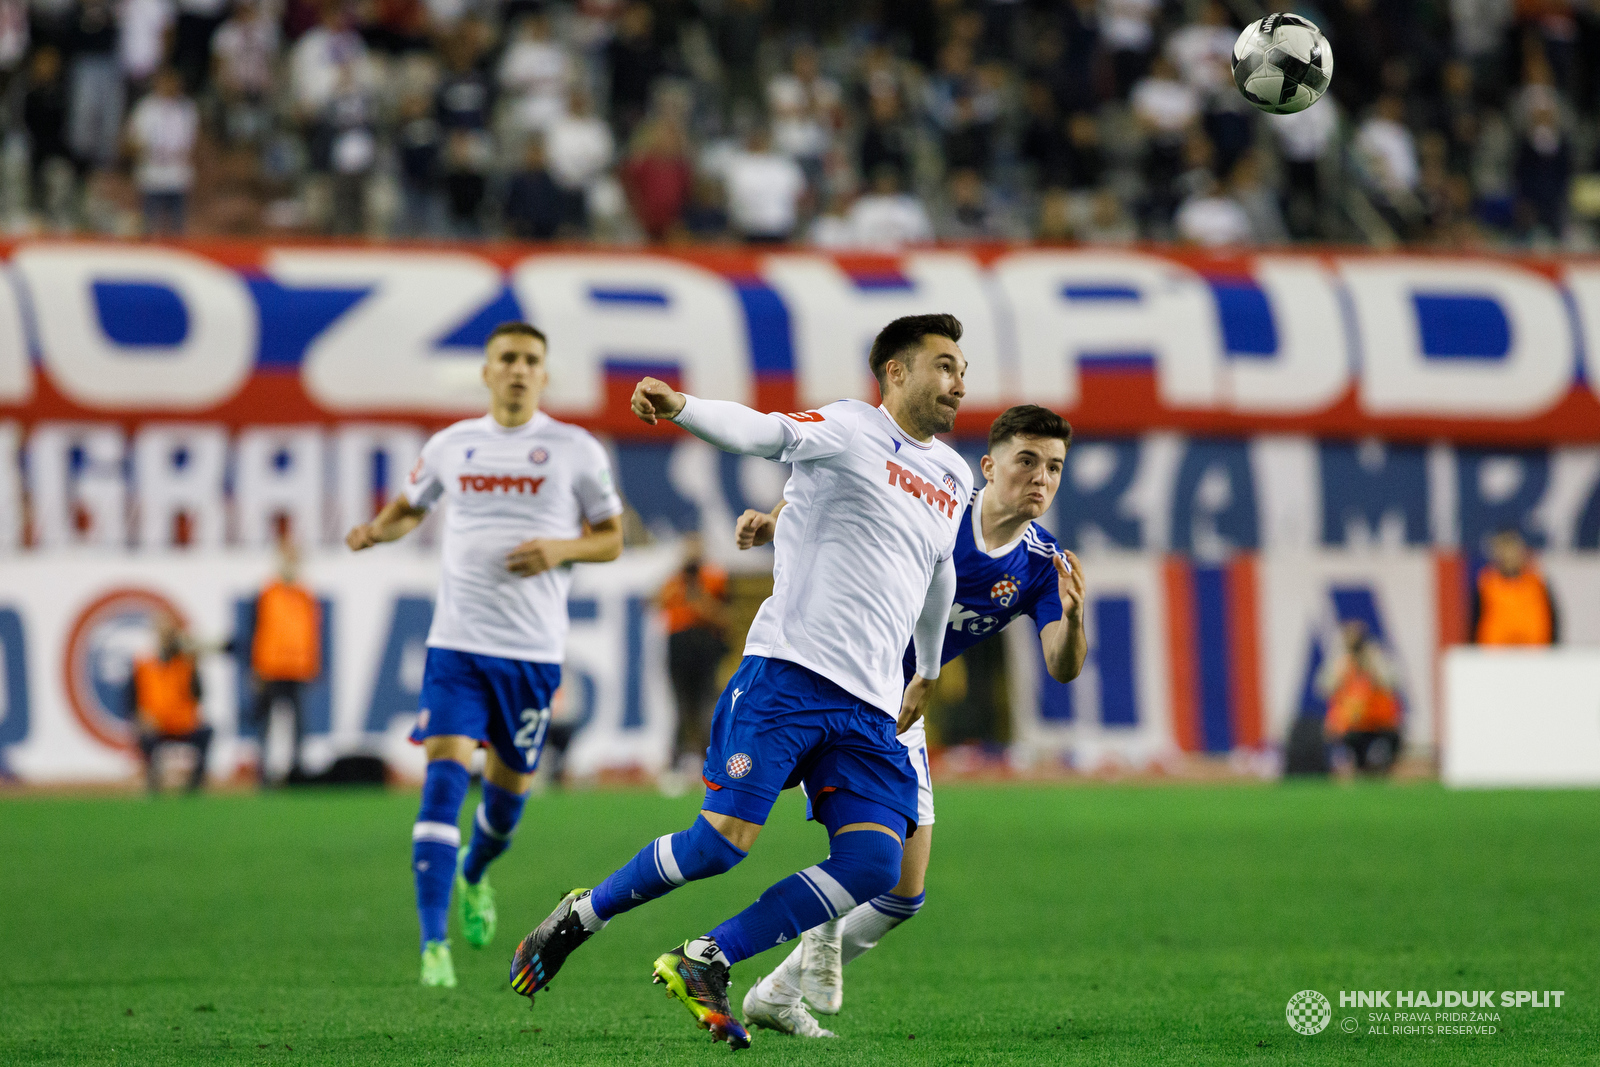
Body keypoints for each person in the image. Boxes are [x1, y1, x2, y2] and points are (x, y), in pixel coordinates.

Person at [508, 314, 975, 1050]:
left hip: (869, 704)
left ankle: (708, 957)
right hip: (789, 675)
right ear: (895, 371)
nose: (958, 382)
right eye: (944, 365)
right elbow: (765, 433)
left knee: (875, 862)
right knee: (721, 843)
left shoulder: (955, 474)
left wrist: (927, 665)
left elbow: (940, 571)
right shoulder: (849, 428)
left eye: (963, 369)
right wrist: (683, 408)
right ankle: (580, 914)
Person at [734, 403, 1087, 1036]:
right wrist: (772, 524)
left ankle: (776, 992)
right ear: (990, 465)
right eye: (1027, 461)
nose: (1040, 478)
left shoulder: (1041, 562)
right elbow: (847, 508)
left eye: (1054, 467)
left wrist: (1075, 618)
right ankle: (778, 921)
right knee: (756, 818)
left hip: (900, 709)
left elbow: (1061, 666)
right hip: (832, 674)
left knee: (902, 894)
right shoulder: (942, 503)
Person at [344, 321, 624, 989]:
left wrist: (561, 548)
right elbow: (412, 506)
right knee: (443, 776)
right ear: (487, 370)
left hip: (529, 656)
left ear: (545, 374)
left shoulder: (573, 448)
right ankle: (432, 944)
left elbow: (611, 538)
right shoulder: (452, 445)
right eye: (508, 358)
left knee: (502, 809)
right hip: (456, 645)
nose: (520, 369)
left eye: (532, 359)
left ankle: (474, 870)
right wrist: (379, 529)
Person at [655, 533, 730, 779]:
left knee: (707, 705)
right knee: (681, 707)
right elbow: (655, 602)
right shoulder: (675, 580)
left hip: (704, 646)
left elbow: (724, 616)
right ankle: (678, 762)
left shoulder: (714, 577)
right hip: (678, 647)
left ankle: (709, 761)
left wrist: (698, 599)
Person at [248, 535, 321, 784]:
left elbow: (311, 634)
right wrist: (256, 667)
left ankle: (296, 771)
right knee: (266, 724)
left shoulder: (305, 596)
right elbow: (256, 631)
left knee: (299, 725)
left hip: (298, 669)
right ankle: (263, 773)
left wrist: (312, 665)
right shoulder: (267, 594)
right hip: (271, 667)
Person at [130, 614, 214, 795]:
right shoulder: (144, 664)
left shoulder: (186, 663)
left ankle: (194, 786)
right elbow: (131, 700)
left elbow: (198, 695)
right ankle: (153, 782)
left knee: (208, 731)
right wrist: (141, 717)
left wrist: (195, 663)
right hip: (156, 725)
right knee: (144, 736)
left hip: (183, 724)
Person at [1318, 620, 1402, 776]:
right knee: (1344, 746)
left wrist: (1373, 668)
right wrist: (1341, 670)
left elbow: (1392, 682)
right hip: (1350, 724)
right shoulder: (1340, 661)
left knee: (1390, 743)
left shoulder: (1376, 657)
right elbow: (1324, 687)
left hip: (1378, 721)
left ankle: (1382, 769)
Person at [1471, 528, 1559, 646]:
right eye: (1503, 548)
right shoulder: (1486, 583)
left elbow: (1553, 618)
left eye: (1512, 547)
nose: (1508, 554)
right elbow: (1474, 620)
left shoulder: (1537, 582)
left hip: (1534, 655)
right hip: (1494, 657)